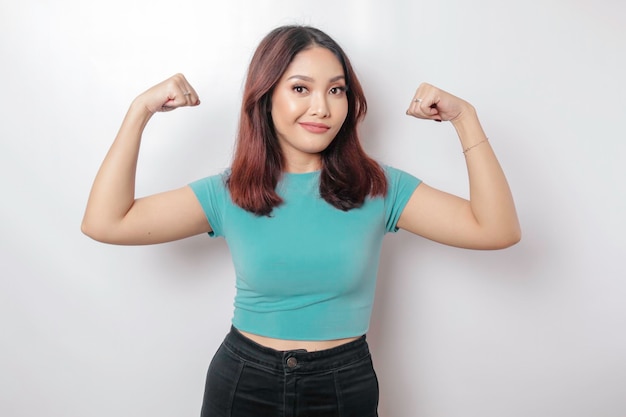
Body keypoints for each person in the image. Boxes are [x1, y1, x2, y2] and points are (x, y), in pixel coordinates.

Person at [82, 25, 520, 417]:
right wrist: (140, 111)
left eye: (336, 90)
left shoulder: (380, 188)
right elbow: (106, 222)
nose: (322, 108)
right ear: (266, 95)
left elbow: (496, 229)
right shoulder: (229, 191)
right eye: (300, 88)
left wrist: (465, 119)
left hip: (342, 386)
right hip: (242, 383)